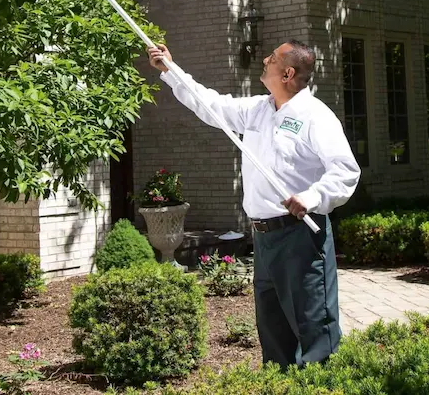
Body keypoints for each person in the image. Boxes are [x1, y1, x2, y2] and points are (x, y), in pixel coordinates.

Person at [147, 40, 360, 369]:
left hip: (301, 237)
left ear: (287, 73)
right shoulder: (259, 109)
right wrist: (171, 71)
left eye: (272, 58)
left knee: (314, 327)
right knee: (273, 331)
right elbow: (210, 104)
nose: (264, 59)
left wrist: (310, 197)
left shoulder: (316, 117)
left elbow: (345, 173)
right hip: (263, 238)